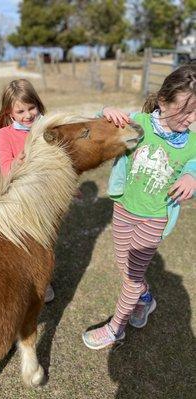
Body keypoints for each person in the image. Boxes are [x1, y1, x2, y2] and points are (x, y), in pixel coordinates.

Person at [82, 64, 196, 350]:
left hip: (154, 218)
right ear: (163, 102)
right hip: (122, 210)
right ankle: (145, 299)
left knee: (132, 276)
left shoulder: (192, 141)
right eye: (185, 111)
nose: (192, 119)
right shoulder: (140, 123)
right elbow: (102, 123)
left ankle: (114, 329)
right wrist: (106, 110)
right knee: (124, 267)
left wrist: (192, 176)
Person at [0, 78, 55, 303]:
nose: (28, 115)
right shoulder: (5, 135)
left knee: (45, 243)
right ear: (10, 113)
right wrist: (18, 163)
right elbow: (5, 170)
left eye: (32, 108)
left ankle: (44, 280)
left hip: (46, 198)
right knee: (25, 244)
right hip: (20, 200)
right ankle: (26, 281)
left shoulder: (47, 128)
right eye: (20, 111)